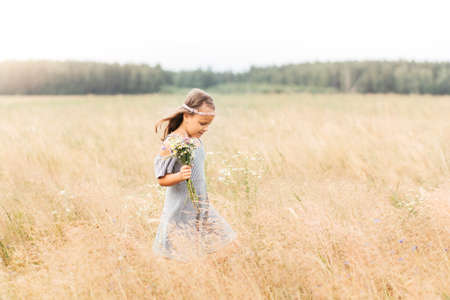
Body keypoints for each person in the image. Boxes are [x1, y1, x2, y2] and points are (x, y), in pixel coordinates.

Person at [153, 88, 240, 263]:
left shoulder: (195, 139)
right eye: (202, 123)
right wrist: (178, 176)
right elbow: (161, 179)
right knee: (176, 259)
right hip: (181, 210)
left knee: (231, 244)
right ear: (187, 116)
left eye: (209, 124)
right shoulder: (172, 143)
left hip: (201, 208)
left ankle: (205, 274)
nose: (206, 128)